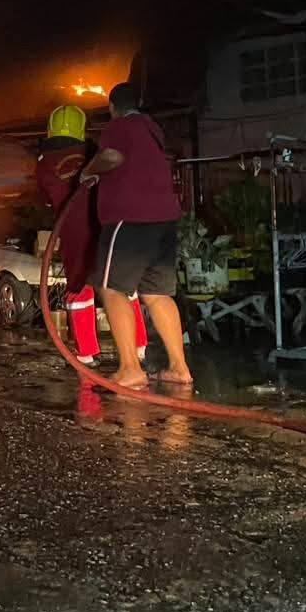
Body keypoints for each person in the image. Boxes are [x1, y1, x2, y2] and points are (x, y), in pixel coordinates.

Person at [79, 83, 192, 388]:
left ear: (112, 107)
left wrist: (89, 171)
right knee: (157, 294)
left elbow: (112, 156)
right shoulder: (151, 129)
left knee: (112, 289)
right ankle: (180, 369)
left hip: (129, 219)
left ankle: (130, 369)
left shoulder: (120, 126)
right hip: (164, 219)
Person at [35, 105, 147, 366]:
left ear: (50, 129)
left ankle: (86, 354)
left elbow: (46, 199)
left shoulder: (43, 163)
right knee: (122, 285)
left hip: (74, 230)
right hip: (108, 223)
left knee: (79, 288)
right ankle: (139, 347)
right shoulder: (94, 151)